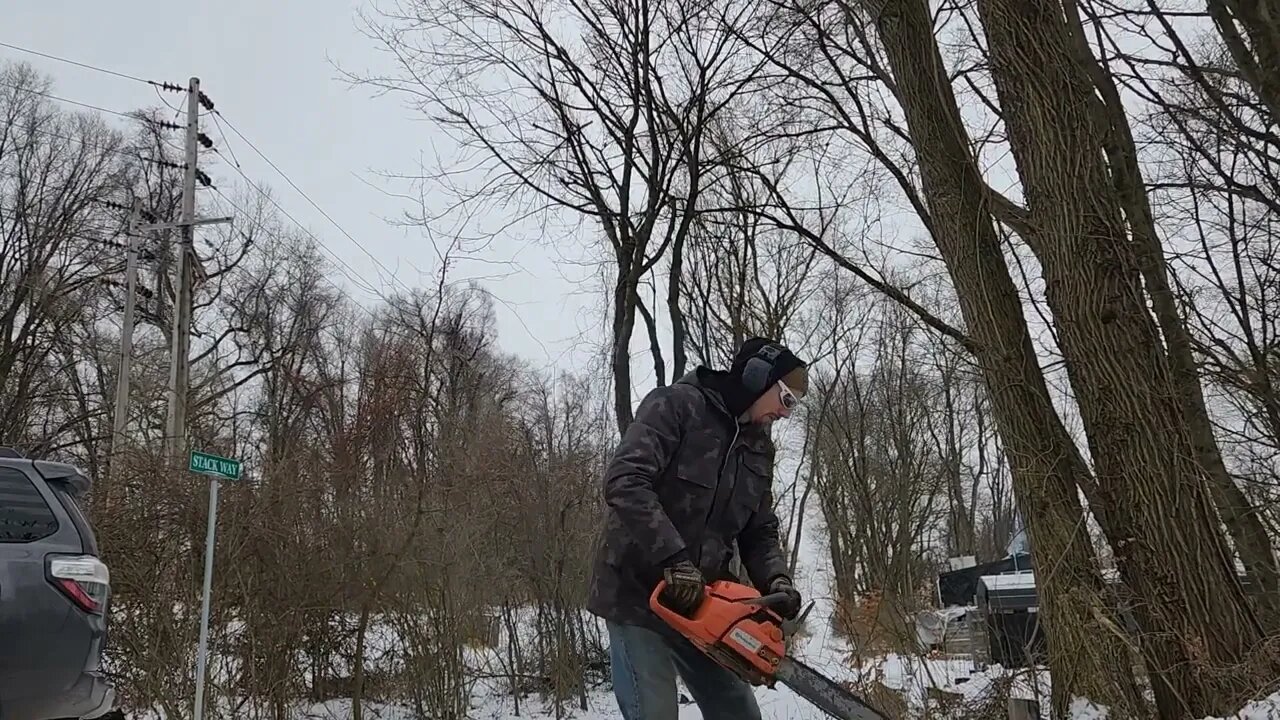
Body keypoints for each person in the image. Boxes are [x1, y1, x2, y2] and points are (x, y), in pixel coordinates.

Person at [586, 337, 808, 720]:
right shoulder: (677, 406)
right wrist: (673, 557)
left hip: (703, 603)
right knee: (655, 712)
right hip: (638, 594)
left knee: (738, 712)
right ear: (758, 379)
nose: (786, 413)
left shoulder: (758, 449)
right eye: (786, 399)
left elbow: (759, 529)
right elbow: (625, 479)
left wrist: (776, 580)